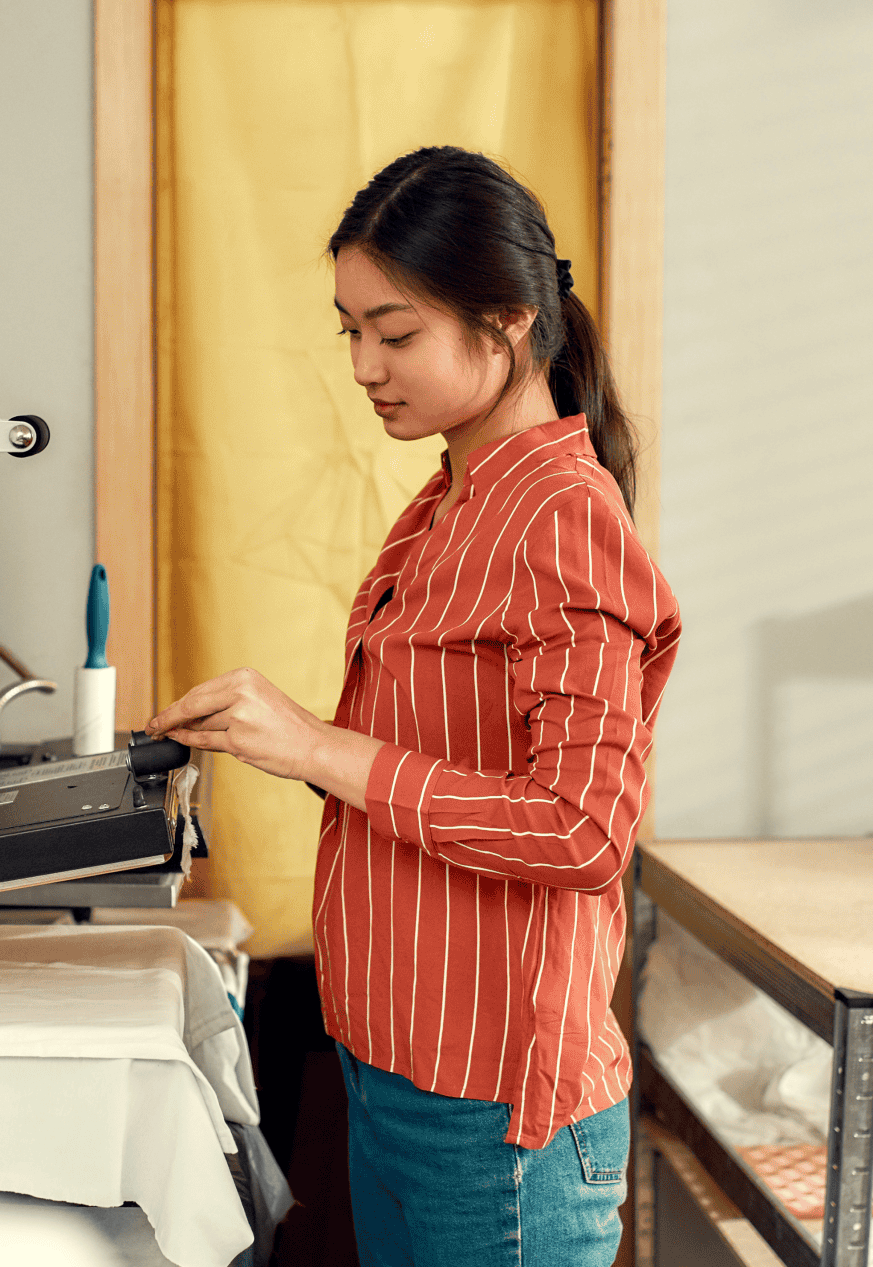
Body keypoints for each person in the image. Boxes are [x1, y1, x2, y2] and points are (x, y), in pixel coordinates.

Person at [145, 146, 684, 1265]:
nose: (362, 365)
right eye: (349, 330)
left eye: (395, 334)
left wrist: (320, 745)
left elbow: (582, 829)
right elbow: (433, 757)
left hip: (495, 1120)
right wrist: (281, 736)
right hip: (396, 1071)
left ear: (509, 322)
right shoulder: (450, 500)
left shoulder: (559, 520)